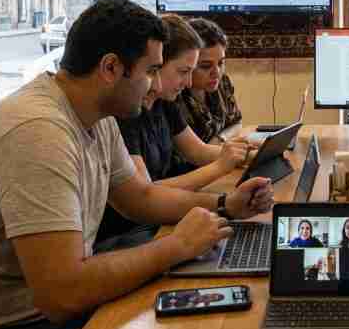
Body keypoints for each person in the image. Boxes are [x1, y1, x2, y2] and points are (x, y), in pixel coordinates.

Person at [0, 0, 274, 329]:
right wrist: (176, 247)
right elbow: (63, 293)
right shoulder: (38, 132)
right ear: (110, 68)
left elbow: (140, 198)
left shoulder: (93, 114)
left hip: (18, 316)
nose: (157, 85)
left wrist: (226, 204)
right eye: (151, 71)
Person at [95, 14, 255, 245]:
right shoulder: (126, 111)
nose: (189, 83)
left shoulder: (163, 103)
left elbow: (198, 151)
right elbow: (145, 194)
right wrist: (221, 174)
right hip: (130, 231)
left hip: (151, 222)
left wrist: (253, 153)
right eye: (183, 71)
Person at [175, 18, 242, 145]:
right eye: (205, 66)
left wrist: (220, 139)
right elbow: (191, 156)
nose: (216, 73)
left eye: (221, 63)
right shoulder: (175, 95)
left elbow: (236, 123)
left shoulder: (222, 82)